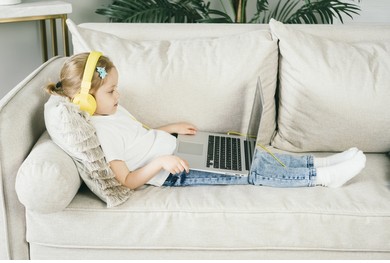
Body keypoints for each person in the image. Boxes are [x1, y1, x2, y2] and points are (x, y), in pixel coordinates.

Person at [46, 52, 366, 190]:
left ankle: (318, 165)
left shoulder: (113, 111)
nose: (118, 95)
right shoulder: (102, 131)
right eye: (112, 90)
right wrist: (162, 163)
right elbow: (126, 180)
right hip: (176, 173)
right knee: (247, 169)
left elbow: (139, 137)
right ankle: (319, 179)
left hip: (180, 148)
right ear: (86, 99)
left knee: (247, 151)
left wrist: (166, 129)